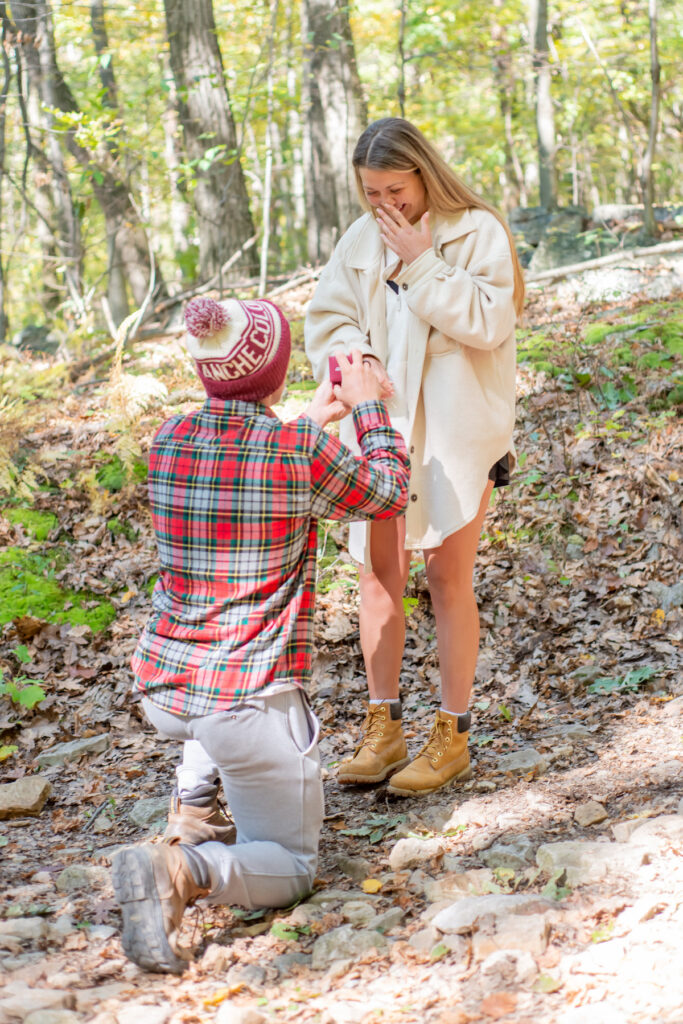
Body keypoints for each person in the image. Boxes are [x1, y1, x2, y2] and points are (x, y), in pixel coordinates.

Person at [112, 295, 409, 974]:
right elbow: (389, 490)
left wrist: (309, 419)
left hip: (164, 686)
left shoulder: (169, 438)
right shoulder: (296, 450)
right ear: (275, 375)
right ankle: (181, 868)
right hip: (244, 699)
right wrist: (366, 408)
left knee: (210, 716)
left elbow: (253, 464)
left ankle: (189, 808)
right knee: (293, 867)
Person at [305, 117, 525, 797]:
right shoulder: (359, 236)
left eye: (394, 190)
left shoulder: (476, 230)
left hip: (460, 435)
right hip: (381, 432)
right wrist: (356, 356)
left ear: (423, 175)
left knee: (446, 580)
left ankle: (451, 734)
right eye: (371, 192)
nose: (384, 205)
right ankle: (384, 727)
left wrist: (424, 261)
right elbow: (329, 317)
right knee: (378, 577)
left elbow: (491, 320)